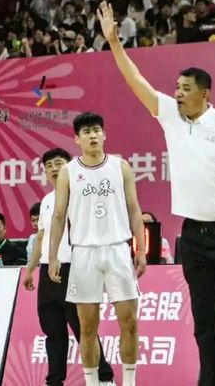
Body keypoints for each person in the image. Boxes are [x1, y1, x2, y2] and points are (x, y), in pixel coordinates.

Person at [97, 1, 215, 386]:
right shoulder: (170, 115)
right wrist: (115, 42)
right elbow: (135, 81)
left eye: (186, 89)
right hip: (195, 236)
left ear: (205, 93)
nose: (178, 93)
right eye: (176, 88)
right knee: (203, 318)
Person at [48, 113, 147, 386]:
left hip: (117, 250)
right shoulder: (68, 172)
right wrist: (53, 256)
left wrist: (140, 250)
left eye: (96, 130)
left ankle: (129, 383)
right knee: (87, 327)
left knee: (129, 322)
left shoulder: (120, 166)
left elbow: (134, 209)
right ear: (77, 139)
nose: (92, 135)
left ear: (104, 135)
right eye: (86, 132)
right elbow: (59, 216)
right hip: (84, 253)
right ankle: (92, 383)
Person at [23, 148, 115, 386]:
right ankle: (54, 381)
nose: (54, 169)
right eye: (49, 166)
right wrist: (31, 269)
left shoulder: (82, 195)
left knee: (83, 328)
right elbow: (41, 237)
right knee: (53, 331)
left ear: (70, 167)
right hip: (48, 271)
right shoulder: (46, 201)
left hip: (75, 268)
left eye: (58, 163)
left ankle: (104, 377)